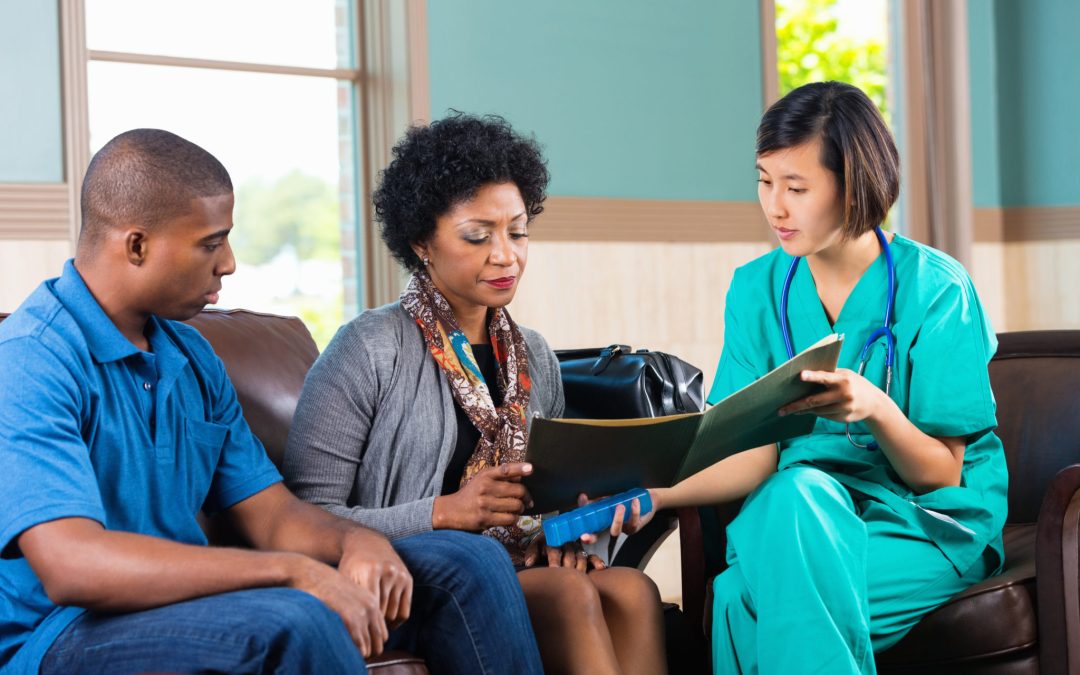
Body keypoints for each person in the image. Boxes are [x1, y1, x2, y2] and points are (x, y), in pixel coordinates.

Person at [0, 128, 543, 675]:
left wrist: (358, 542)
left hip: (189, 604)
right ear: (136, 245)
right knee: (299, 619)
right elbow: (72, 566)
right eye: (211, 243)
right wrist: (290, 572)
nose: (229, 262)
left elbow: (275, 516)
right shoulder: (31, 359)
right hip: (64, 630)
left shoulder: (191, 355)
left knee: (467, 560)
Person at [612, 82, 1008, 674]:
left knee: (741, 599)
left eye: (796, 187)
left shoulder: (937, 289)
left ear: (854, 186)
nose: (775, 207)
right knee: (797, 494)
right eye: (764, 181)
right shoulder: (756, 290)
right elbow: (752, 453)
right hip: (798, 511)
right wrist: (652, 496)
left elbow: (942, 472)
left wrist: (877, 407)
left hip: (920, 522)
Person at [283, 113, 667, 675]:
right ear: (421, 242)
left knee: (632, 590)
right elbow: (306, 518)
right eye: (477, 236)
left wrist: (572, 527)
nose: (505, 255)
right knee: (570, 597)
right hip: (406, 575)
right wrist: (448, 512)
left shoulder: (533, 355)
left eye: (517, 231)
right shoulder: (367, 348)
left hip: (513, 560)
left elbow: (546, 497)